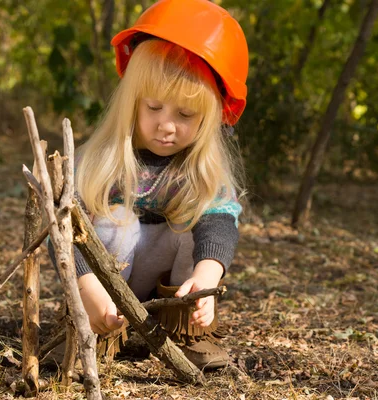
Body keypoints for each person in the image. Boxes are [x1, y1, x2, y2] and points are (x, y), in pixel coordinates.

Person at [52, 0, 249, 369]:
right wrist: (85, 284)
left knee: (194, 224)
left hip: (165, 292)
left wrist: (206, 279)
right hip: (103, 288)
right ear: (132, 102)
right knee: (114, 220)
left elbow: (219, 223)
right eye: (153, 107)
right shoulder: (102, 160)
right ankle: (90, 332)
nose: (166, 125)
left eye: (185, 114)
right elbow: (63, 228)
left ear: (209, 118)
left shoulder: (201, 170)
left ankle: (185, 332)